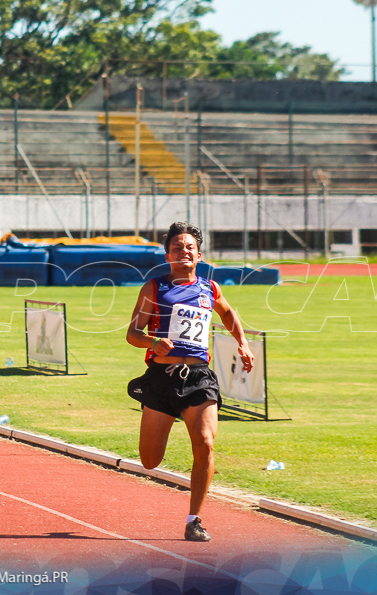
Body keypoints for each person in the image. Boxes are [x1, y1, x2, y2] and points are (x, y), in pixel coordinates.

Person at [126, 221, 255, 542]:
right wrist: (152, 343)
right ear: (167, 255)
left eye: (189, 247)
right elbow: (132, 333)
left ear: (199, 254)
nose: (183, 251)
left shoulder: (210, 288)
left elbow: (228, 314)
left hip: (199, 378)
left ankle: (194, 519)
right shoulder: (154, 288)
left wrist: (243, 342)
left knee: (206, 443)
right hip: (161, 378)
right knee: (150, 461)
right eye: (176, 247)